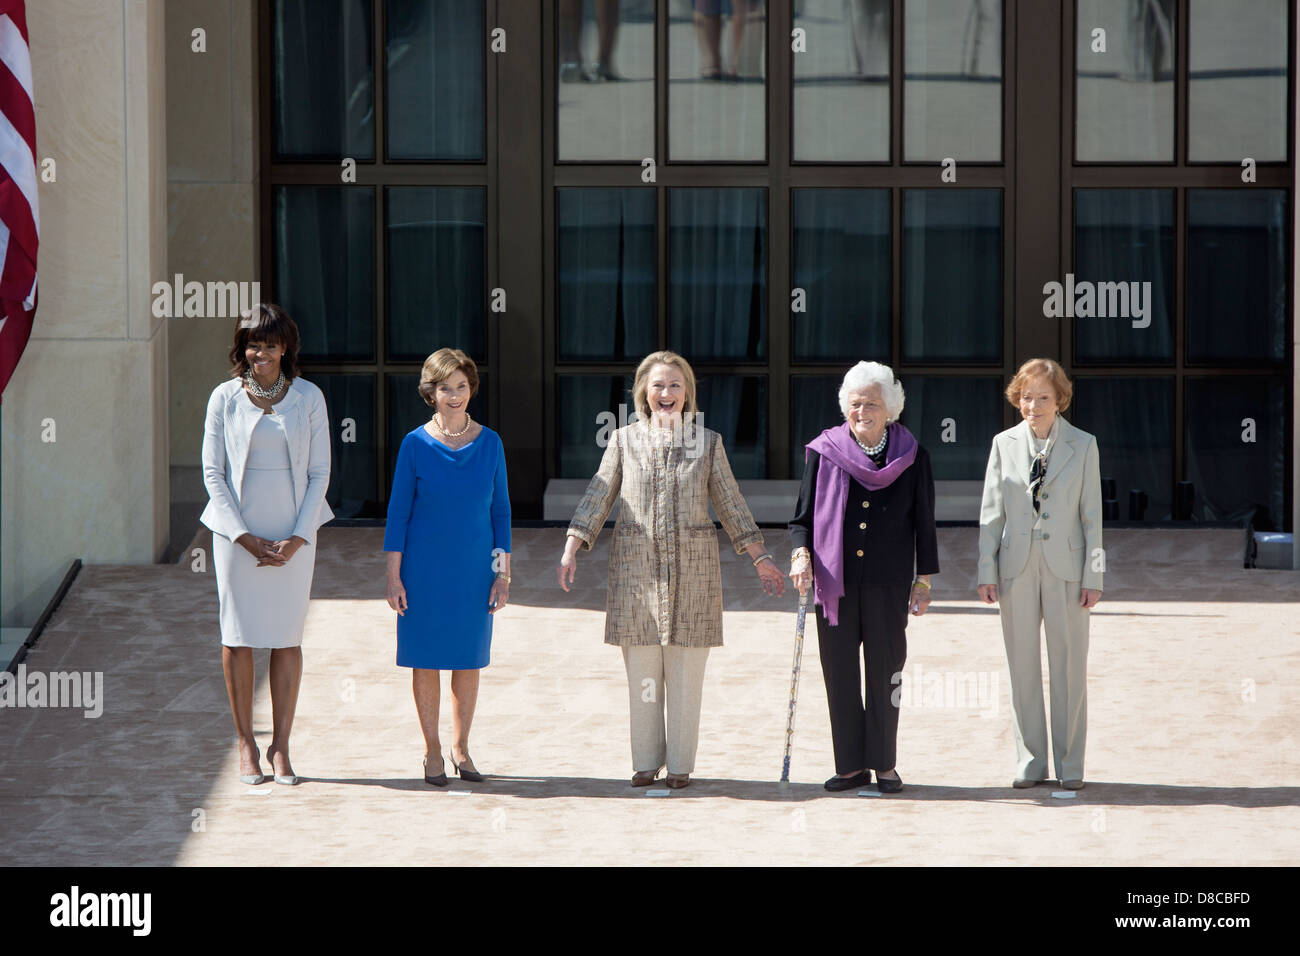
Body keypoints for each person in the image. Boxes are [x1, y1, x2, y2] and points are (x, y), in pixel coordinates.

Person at [558, 350, 785, 788]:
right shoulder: (623, 441)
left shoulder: (709, 442)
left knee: (685, 677)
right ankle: (646, 762)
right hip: (635, 576)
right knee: (643, 673)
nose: (666, 393)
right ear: (643, 391)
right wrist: (572, 545)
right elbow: (597, 496)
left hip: (694, 578)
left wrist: (761, 558)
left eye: (675, 385)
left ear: (688, 393)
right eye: (658, 385)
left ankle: (680, 766)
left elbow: (732, 505)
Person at [788, 361, 938, 793]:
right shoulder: (823, 450)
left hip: (888, 583)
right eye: (855, 403)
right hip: (834, 583)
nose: (862, 411)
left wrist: (923, 580)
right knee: (839, 673)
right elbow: (801, 520)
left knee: (886, 672)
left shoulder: (913, 455)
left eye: (872, 403)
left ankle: (884, 763)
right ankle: (851, 765)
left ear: (890, 408)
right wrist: (801, 555)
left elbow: (924, 524)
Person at [201, 303, 333, 787]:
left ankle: (281, 746)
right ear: (243, 348)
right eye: (254, 343)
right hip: (238, 537)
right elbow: (213, 473)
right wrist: (243, 537)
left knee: (286, 636)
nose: (263, 352)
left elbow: (320, 472)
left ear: (286, 348)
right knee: (237, 635)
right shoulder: (223, 398)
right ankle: (245, 744)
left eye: (271, 344)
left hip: (294, 535)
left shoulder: (309, 398)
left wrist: (300, 536)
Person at [384, 348, 511, 787]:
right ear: (430, 393)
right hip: (422, 571)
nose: (454, 395)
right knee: (425, 659)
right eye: (445, 388)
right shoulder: (414, 444)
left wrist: (503, 573)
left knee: (468, 660)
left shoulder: (491, 442)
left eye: (461, 386)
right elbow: (398, 513)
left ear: (471, 389)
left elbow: (501, 514)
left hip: (474, 570)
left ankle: (462, 747)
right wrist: (393, 574)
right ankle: (432, 752)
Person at [977, 358, 1103, 790]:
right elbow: (990, 514)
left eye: (1043, 397)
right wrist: (985, 569)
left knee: (1069, 668)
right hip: (1015, 569)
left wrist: (1095, 577)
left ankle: (1071, 765)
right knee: (1022, 667)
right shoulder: (1002, 444)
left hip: (1068, 571)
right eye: (1026, 397)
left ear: (1059, 399)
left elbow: (1093, 519)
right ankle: (1030, 761)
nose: (1033, 405)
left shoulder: (1084, 445)